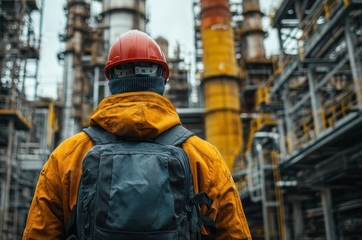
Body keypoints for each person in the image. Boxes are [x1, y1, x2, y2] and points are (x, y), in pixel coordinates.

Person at [22, 29, 252, 240]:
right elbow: (235, 233)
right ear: (162, 79)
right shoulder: (204, 157)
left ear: (111, 80)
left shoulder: (67, 156)